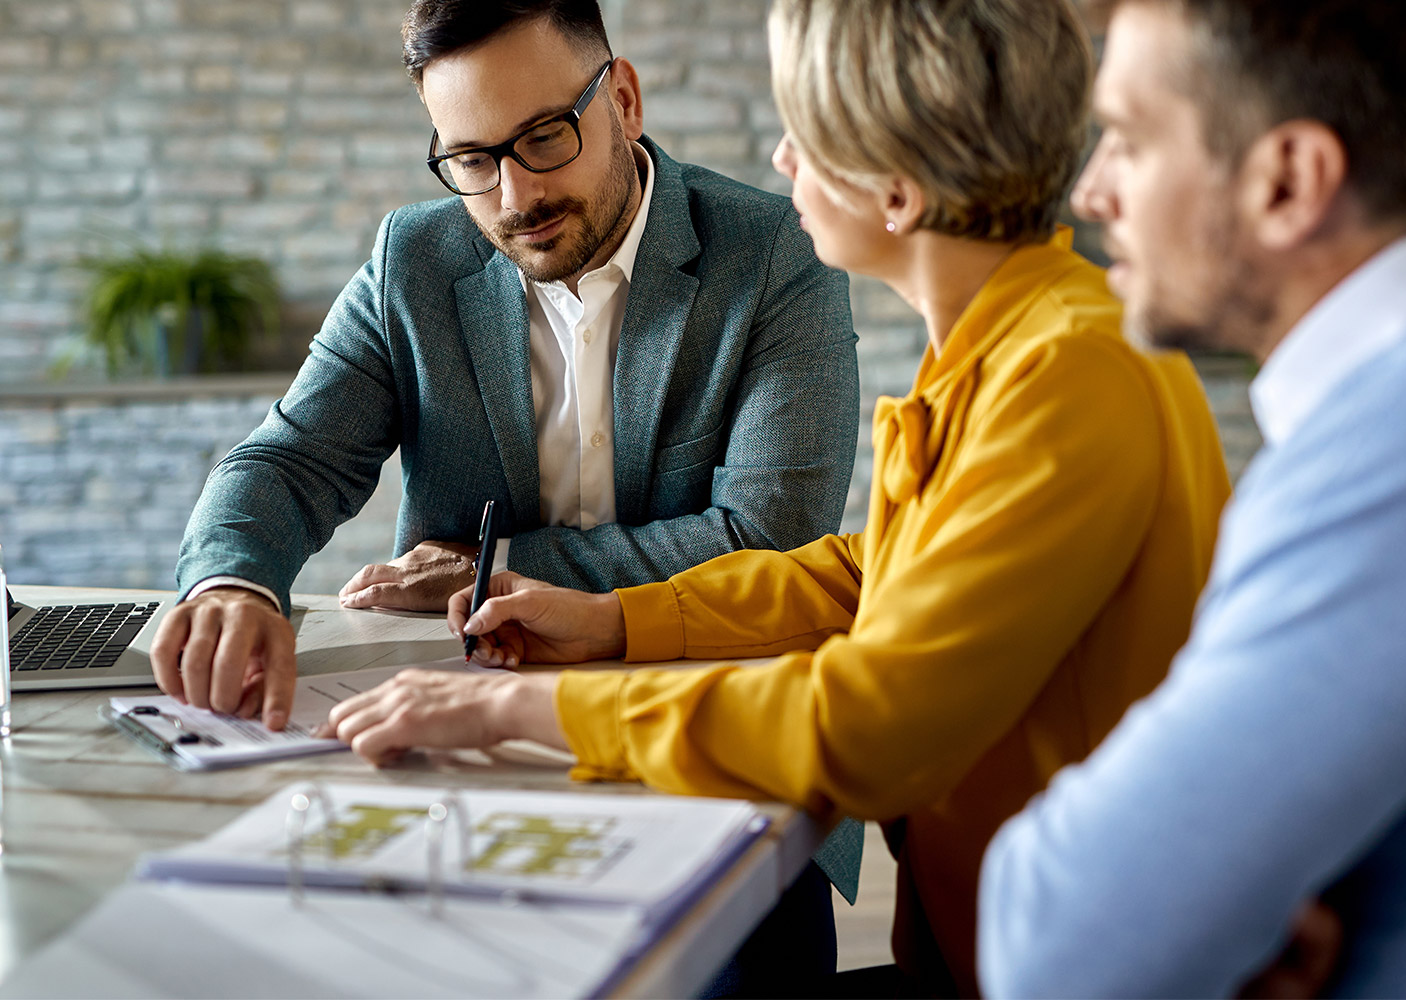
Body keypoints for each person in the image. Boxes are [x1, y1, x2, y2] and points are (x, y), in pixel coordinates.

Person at [322, 0, 1232, 993]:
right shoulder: (1012, 339)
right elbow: (876, 573)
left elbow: (870, 723)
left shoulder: (1065, 370)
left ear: (896, 187)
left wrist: (523, 710)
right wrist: (612, 620)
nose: (782, 158)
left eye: (808, 133)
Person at [977, 0, 1406, 996]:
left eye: (1128, 140)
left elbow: (1057, 941)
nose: (1090, 192)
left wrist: (1216, 930)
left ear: (1287, 182)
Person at [149, 0, 858, 728]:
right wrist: (230, 586)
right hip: (460, 710)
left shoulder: (776, 254)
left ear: (623, 101)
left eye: (545, 136)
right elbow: (291, 462)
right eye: (472, 160)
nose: (517, 196)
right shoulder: (413, 262)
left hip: (710, 709)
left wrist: (499, 564)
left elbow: (772, 543)